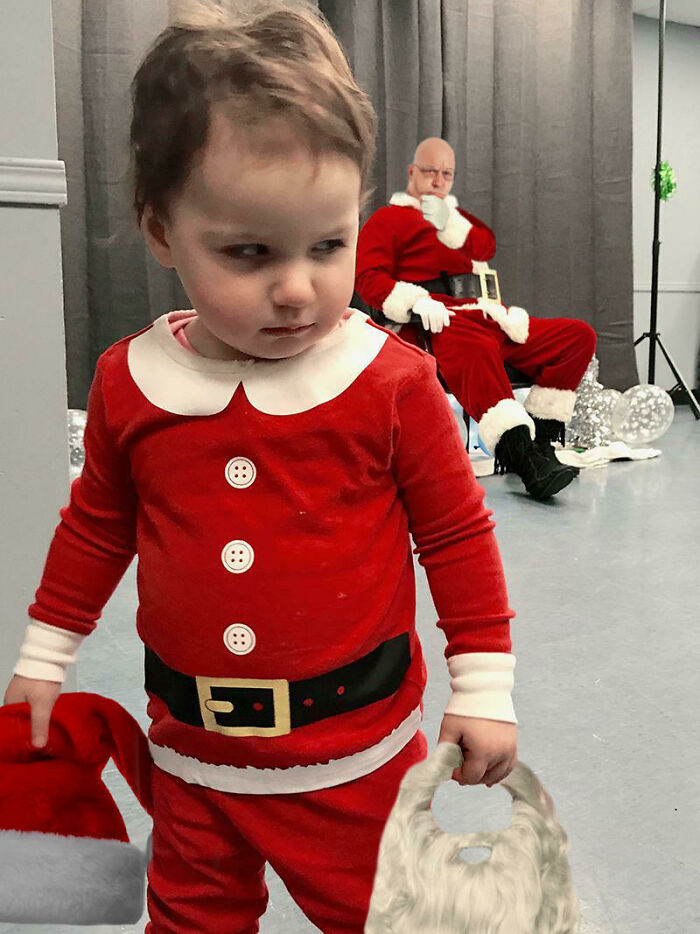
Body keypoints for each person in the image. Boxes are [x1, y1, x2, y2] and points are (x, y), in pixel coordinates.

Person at [3, 5, 519, 933]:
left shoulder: (391, 381)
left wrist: (482, 688)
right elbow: (96, 526)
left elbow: (454, 534)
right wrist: (46, 655)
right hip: (191, 759)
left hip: (354, 764)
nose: (297, 287)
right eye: (249, 252)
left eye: (328, 246)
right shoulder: (133, 380)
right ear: (161, 232)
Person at [355, 137, 597, 501]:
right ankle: (522, 456)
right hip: (431, 323)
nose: (438, 181)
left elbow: (485, 245)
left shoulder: (454, 221)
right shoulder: (387, 219)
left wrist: (451, 223)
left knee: (576, 336)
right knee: (471, 341)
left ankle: (543, 444)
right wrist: (415, 302)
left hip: (481, 314)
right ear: (412, 172)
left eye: (447, 174)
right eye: (430, 172)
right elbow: (367, 278)